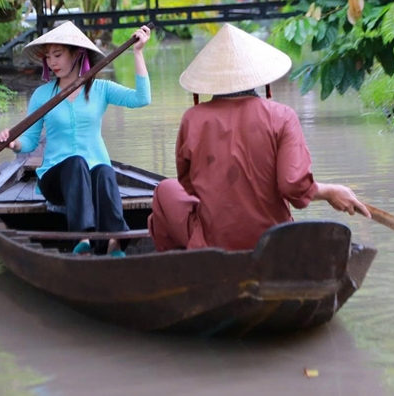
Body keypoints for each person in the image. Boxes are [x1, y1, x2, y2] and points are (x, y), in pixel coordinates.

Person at [148, 23, 369, 252]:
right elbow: (293, 186)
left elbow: (188, 185)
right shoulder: (282, 116)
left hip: (213, 242)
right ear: (258, 77)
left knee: (164, 190)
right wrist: (330, 191)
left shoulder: (192, 118)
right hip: (275, 241)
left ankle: (178, 270)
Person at [0, 21, 151, 257]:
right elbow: (30, 141)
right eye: (48, 57)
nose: (52, 62)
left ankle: (115, 242)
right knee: (76, 163)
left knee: (105, 171)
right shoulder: (43, 95)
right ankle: (83, 238)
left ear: (77, 55)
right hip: (55, 179)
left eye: (58, 55)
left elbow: (142, 98)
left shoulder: (100, 89)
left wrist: (138, 53)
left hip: (93, 176)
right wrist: (14, 143)